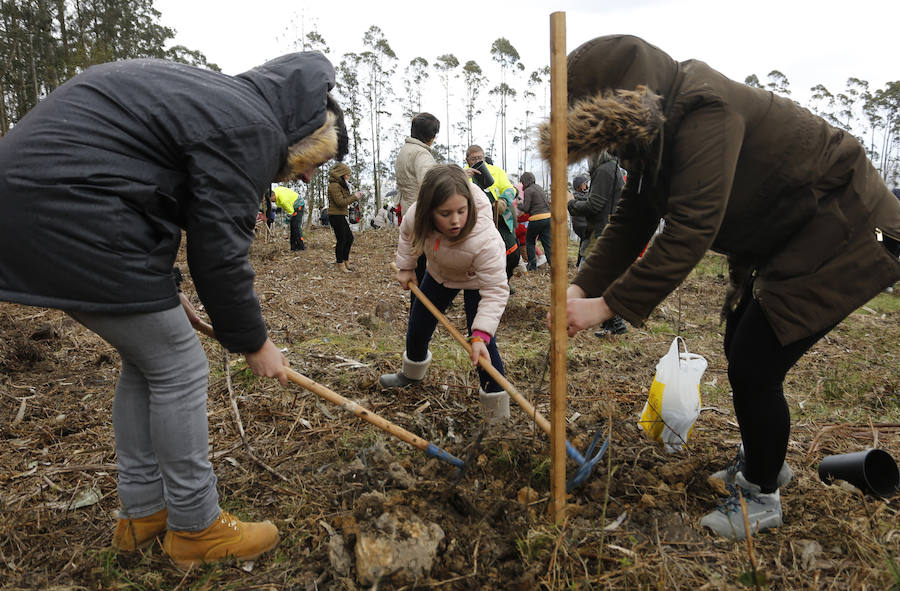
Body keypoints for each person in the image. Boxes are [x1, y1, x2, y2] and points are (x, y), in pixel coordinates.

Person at [539, 34, 900, 540]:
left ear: (631, 105)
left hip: (845, 228)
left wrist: (608, 307)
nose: (613, 150)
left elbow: (692, 227)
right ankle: (763, 461)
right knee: (740, 342)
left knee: (757, 360)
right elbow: (636, 213)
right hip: (791, 235)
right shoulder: (654, 133)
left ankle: (761, 497)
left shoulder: (706, 111)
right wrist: (582, 288)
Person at [0, 52, 349, 565]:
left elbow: (144, 184)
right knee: (181, 366)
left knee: (148, 361)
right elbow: (219, 249)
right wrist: (253, 341)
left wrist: (164, 286)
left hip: (34, 202)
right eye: (315, 162)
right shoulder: (251, 127)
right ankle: (196, 527)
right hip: (70, 211)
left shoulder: (217, 104)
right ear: (305, 132)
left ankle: (144, 514)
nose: (302, 178)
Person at [378, 164, 512, 422]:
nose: (455, 220)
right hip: (439, 275)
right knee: (418, 326)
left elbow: (495, 290)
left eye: (461, 211)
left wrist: (481, 334)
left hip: (476, 282)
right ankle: (412, 374)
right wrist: (406, 267)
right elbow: (407, 234)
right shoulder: (418, 215)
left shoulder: (485, 239)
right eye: (445, 213)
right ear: (429, 210)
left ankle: (496, 409)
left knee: (483, 346)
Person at [567, 153, 628, 336]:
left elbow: (595, 205)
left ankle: (615, 323)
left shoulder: (604, 170)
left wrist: (571, 203)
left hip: (602, 233)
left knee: (591, 276)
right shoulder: (609, 168)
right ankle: (612, 324)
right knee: (596, 276)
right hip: (604, 231)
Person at [464, 145, 521, 284]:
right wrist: (464, 178)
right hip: (477, 222)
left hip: (499, 218)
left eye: (480, 158)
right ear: (467, 160)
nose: (477, 161)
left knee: (512, 254)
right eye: (474, 159)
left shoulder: (496, 171)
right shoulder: (462, 174)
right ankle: (485, 284)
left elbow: (510, 188)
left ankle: (504, 280)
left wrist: (504, 200)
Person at [396, 112, 440, 289]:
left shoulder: (404, 151)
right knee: (427, 269)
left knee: (419, 266)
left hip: (409, 212)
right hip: (423, 215)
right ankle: (424, 309)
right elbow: (430, 185)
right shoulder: (422, 155)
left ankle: (419, 307)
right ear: (431, 136)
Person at [327, 162, 359, 273]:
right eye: (347, 175)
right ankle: (340, 264)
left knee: (349, 238)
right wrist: (354, 197)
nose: (348, 177)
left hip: (340, 215)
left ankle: (346, 261)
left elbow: (345, 200)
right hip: (335, 215)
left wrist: (353, 196)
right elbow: (340, 202)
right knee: (342, 239)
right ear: (341, 174)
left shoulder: (341, 185)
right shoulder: (334, 185)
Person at [519, 171, 552, 271]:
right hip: (547, 218)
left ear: (525, 181)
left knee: (529, 241)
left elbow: (526, 208)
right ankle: (553, 265)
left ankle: (532, 266)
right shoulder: (539, 188)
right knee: (547, 243)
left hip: (536, 219)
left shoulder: (528, 190)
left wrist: (519, 204)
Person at [272, 185, 306, 250]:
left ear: (273, 196)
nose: (271, 201)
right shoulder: (275, 192)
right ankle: (293, 248)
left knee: (296, 227)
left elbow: (290, 212)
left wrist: (286, 222)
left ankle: (301, 247)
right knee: (292, 227)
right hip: (292, 205)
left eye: (271, 199)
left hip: (298, 205)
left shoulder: (284, 200)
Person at [569, 174, 590, 266]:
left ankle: (579, 263)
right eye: (584, 184)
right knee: (588, 243)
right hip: (581, 224)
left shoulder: (584, 195)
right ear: (579, 186)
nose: (586, 185)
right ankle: (583, 264)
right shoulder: (576, 196)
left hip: (581, 224)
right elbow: (588, 200)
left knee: (583, 243)